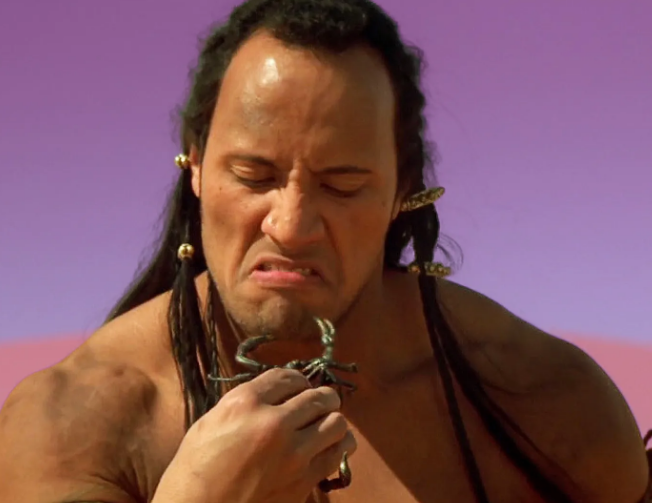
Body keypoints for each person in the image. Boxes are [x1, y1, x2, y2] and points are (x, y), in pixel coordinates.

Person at [0, 0, 649, 502]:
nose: (290, 226)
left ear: (402, 190)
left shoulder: (542, 404)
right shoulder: (74, 426)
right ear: (194, 164)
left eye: (341, 185)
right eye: (253, 176)